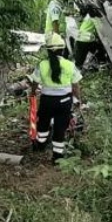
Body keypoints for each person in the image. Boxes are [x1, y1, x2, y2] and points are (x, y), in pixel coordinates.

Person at [29, 33, 83, 162]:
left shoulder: (42, 65)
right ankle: (57, 156)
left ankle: (40, 145)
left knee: (43, 124)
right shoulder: (70, 65)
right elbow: (75, 86)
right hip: (64, 101)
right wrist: (78, 100)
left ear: (48, 50)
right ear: (62, 50)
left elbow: (35, 82)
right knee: (60, 128)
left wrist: (32, 94)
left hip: (47, 101)